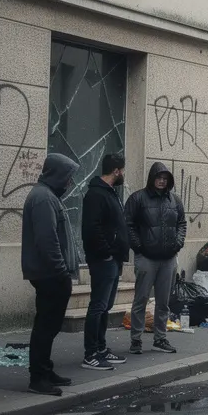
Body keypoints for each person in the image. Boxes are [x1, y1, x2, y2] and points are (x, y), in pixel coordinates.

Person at [21, 152, 80, 396]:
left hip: (49, 272)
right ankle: (38, 378)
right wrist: (60, 272)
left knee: (49, 324)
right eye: (68, 177)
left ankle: (45, 370)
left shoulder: (47, 195)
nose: (69, 183)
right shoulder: (43, 198)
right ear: (57, 174)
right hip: (49, 273)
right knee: (46, 325)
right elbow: (48, 241)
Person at [124, 161, 186, 355]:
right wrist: (139, 247)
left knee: (163, 302)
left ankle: (160, 338)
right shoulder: (138, 199)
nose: (161, 181)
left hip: (168, 259)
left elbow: (182, 223)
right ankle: (136, 339)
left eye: (165, 179)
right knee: (140, 299)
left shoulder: (174, 200)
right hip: (146, 258)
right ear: (152, 178)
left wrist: (178, 243)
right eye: (158, 178)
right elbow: (128, 225)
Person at [80, 154, 129, 371]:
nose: (123, 174)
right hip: (103, 260)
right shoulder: (96, 194)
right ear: (117, 171)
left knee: (106, 306)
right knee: (98, 306)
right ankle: (90, 353)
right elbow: (92, 229)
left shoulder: (109, 193)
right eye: (122, 170)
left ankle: (101, 348)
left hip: (112, 259)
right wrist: (107, 253)